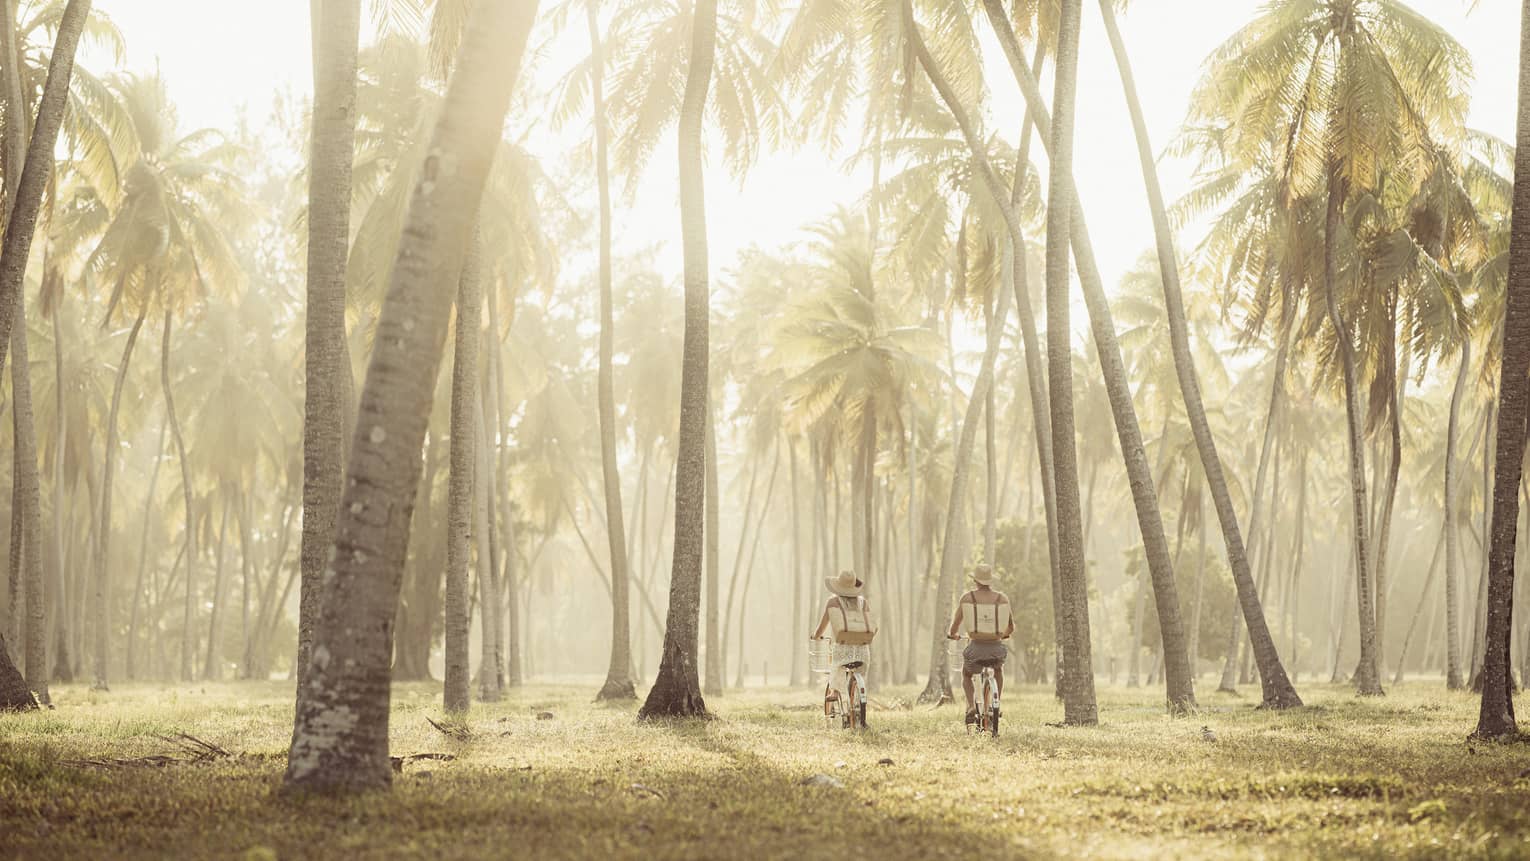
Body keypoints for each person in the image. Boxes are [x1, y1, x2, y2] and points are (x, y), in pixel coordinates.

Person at [946, 564, 1014, 726]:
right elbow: (1011, 627)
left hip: (975, 648)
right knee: (998, 669)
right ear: (990, 580)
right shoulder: (1002, 599)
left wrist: (953, 635)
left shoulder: (967, 598)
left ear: (975, 580)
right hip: (996, 649)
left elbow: (954, 626)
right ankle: (996, 705)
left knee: (967, 674)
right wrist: (1001, 634)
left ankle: (970, 706)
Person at [810, 571, 878, 726]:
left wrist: (815, 636)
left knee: (837, 667)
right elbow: (872, 625)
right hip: (863, 652)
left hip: (842, 651)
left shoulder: (833, 602)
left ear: (838, 586)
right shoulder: (863, 602)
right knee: (858, 675)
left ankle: (834, 691)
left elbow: (822, 627)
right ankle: (857, 708)